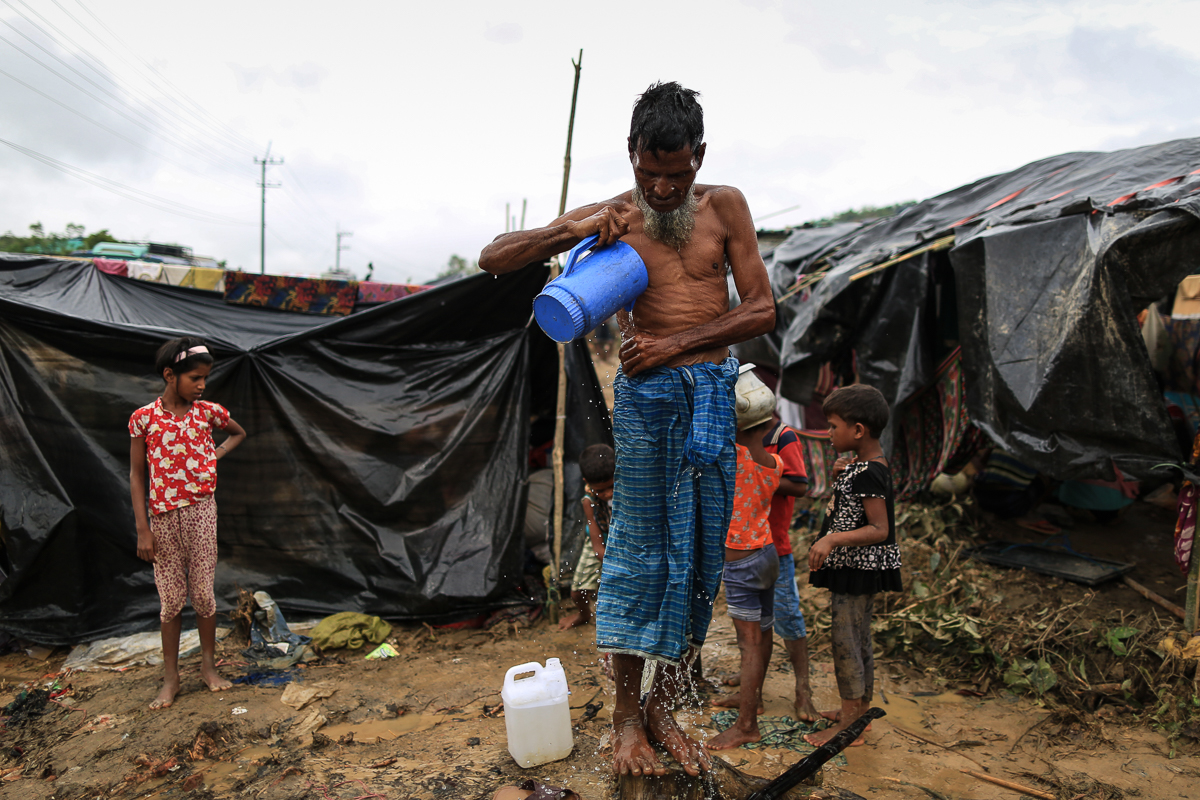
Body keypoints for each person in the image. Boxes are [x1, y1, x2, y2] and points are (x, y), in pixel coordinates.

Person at [479, 82, 774, 777]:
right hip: (645, 407)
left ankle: (662, 707)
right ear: (632, 154)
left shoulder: (725, 207)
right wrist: (570, 231)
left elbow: (760, 309)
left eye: (678, 173)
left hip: (708, 395)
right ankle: (623, 720)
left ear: (700, 156)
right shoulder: (614, 212)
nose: (664, 188)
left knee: (699, 560)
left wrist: (678, 344)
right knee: (640, 558)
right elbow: (494, 258)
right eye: (650, 172)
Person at [129, 337, 246, 709]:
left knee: (203, 595)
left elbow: (238, 433)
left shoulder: (207, 412)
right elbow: (136, 475)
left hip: (201, 513)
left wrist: (214, 455)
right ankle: (171, 678)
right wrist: (142, 528)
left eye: (205, 378)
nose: (202, 385)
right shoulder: (143, 418)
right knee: (170, 600)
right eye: (195, 378)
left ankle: (208, 668)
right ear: (170, 375)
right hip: (161, 519)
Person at [708, 369, 808, 750]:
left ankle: (746, 723)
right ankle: (754, 698)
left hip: (741, 564)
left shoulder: (729, 459)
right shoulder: (773, 465)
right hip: (768, 554)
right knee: (763, 634)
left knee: (748, 643)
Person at [804, 384, 901, 747]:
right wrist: (840, 476)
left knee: (846, 641)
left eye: (832, 426)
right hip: (858, 566)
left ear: (857, 430)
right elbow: (853, 509)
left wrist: (830, 539)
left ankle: (848, 728)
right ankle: (858, 713)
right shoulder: (864, 466)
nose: (828, 433)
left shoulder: (869, 472)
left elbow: (879, 528)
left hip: (858, 568)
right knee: (859, 638)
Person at [716, 407, 819, 723]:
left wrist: (755, 476)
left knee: (787, 619)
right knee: (762, 626)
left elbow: (800, 485)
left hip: (774, 544)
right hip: (760, 548)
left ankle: (803, 691)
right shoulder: (754, 454)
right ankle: (754, 693)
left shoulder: (780, 439)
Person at [559, 444, 615, 630]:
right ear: (587, 482)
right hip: (600, 543)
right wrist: (609, 562)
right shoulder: (588, 501)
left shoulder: (629, 490)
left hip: (625, 543)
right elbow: (596, 542)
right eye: (601, 491)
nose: (608, 494)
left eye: (611, 486)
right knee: (578, 592)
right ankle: (584, 614)